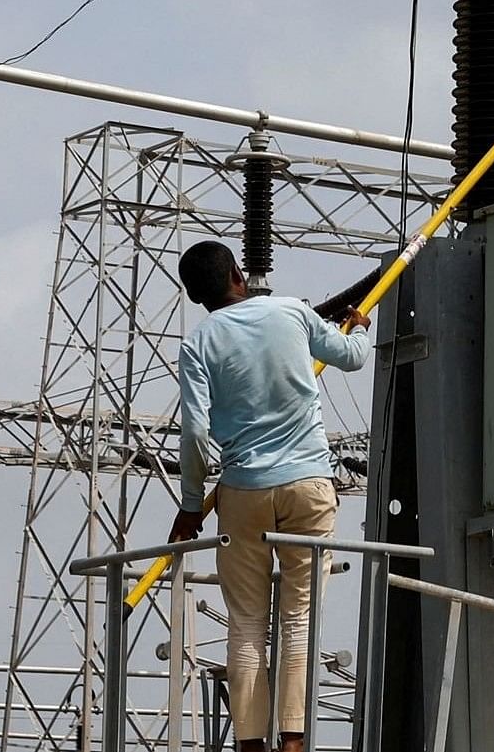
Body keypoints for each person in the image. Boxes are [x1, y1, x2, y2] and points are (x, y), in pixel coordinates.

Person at [167, 240, 369, 752]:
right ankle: (295, 741)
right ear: (240, 274)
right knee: (299, 618)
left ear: (196, 297)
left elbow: (193, 432)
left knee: (248, 625)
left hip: (242, 492)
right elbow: (349, 358)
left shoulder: (199, 343)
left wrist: (193, 504)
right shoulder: (293, 312)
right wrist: (360, 326)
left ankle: (251, 743)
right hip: (308, 486)